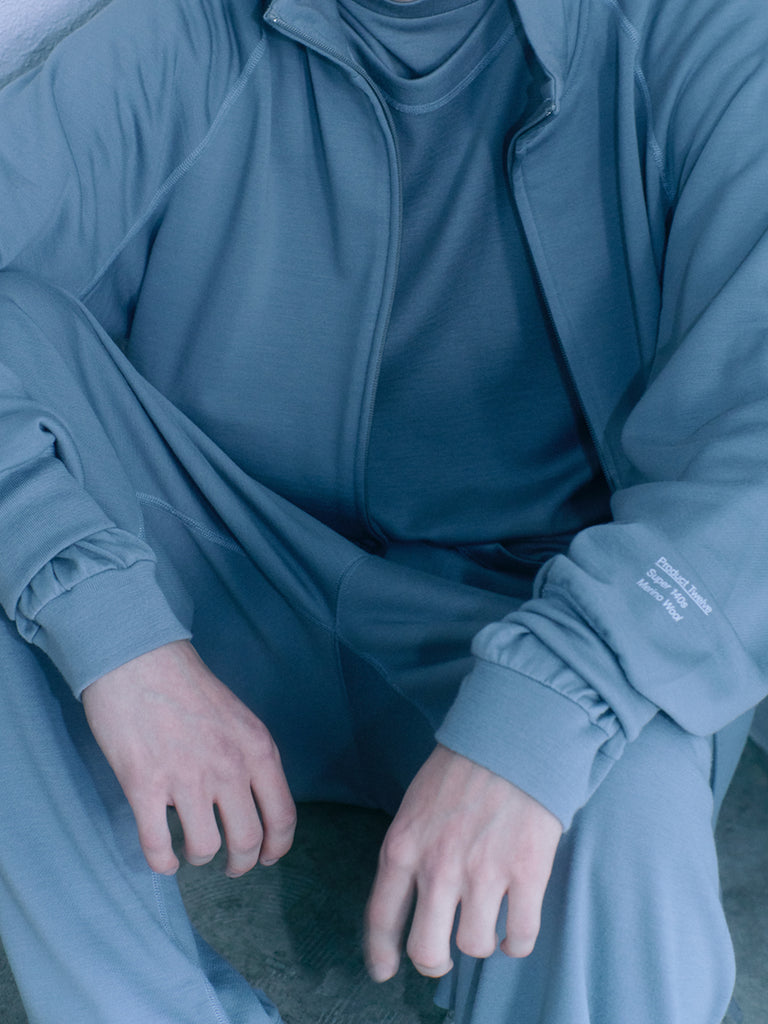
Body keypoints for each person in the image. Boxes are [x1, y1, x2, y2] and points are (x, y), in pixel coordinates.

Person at [0, 0, 765, 1019]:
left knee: (626, 789)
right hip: (230, 564)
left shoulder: (704, 35)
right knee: (19, 520)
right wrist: (110, 625)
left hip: (545, 595)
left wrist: (553, 697)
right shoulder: (189, 33)